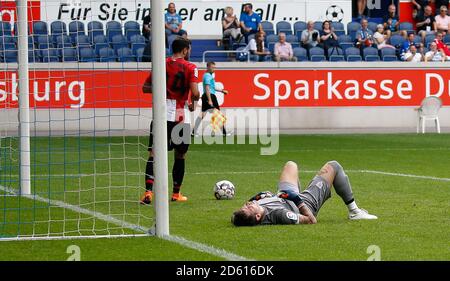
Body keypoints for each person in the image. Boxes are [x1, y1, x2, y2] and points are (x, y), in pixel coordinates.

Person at [141, 37, 200, 204]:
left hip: (162, 114)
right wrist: (193, 102)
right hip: (181, 117)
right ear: (185, 50)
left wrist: (162, 88)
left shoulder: (161, 64)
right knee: (180, 155)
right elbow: (195, 93)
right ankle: (176, 194)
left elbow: (145, 88)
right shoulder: (191, 67)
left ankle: (148, 192)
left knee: (154, 154)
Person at [231, 160, 378, 226]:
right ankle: (355, 212)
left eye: (245, 205)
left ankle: (294, 193)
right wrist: (297, 200)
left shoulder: (255, 210)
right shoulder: (279, 215)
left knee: (290, 165)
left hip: (283, 196)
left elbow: (241, 214)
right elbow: (310, 220)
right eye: (249, 207)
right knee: (334, 166)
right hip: (302, 203)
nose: (248, 204)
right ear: (258, 216)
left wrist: (261, 196)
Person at [192, 61, 231, 137]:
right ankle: (222, 133)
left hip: (208, 96)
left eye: (214, 67)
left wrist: (222, 91)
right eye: (212, 67)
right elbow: (207, 88)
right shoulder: (207, 76)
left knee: (203, 115)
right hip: (209, 96)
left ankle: (194, 132)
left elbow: (212, 87)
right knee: (217, 114)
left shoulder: (209, 76)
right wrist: (210, 99)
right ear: (208, 67)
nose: (214, 69)